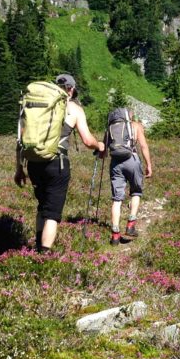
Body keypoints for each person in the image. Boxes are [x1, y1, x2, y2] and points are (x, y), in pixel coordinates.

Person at [14, 74, 105, 252]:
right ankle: (43, 255)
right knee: (52, 213)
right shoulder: (73, 108)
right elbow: (87, 141)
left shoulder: (38, 105)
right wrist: (99, 145)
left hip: (33, 163)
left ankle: (37, 247)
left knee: (42, 206)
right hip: (57, 164)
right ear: (70, 89)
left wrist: (19, 169)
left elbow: (20, 139)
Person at [105, 108, 153, 245]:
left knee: (117, 199)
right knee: (136, 192)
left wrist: (100, 153)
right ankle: (131, 225)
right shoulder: (136, 126)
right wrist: (148, 164)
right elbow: (143, 146)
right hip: (132, 159)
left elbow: (105, 150)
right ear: (129, 116)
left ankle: (115, 235)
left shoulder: (111, 127)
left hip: (115, 163)